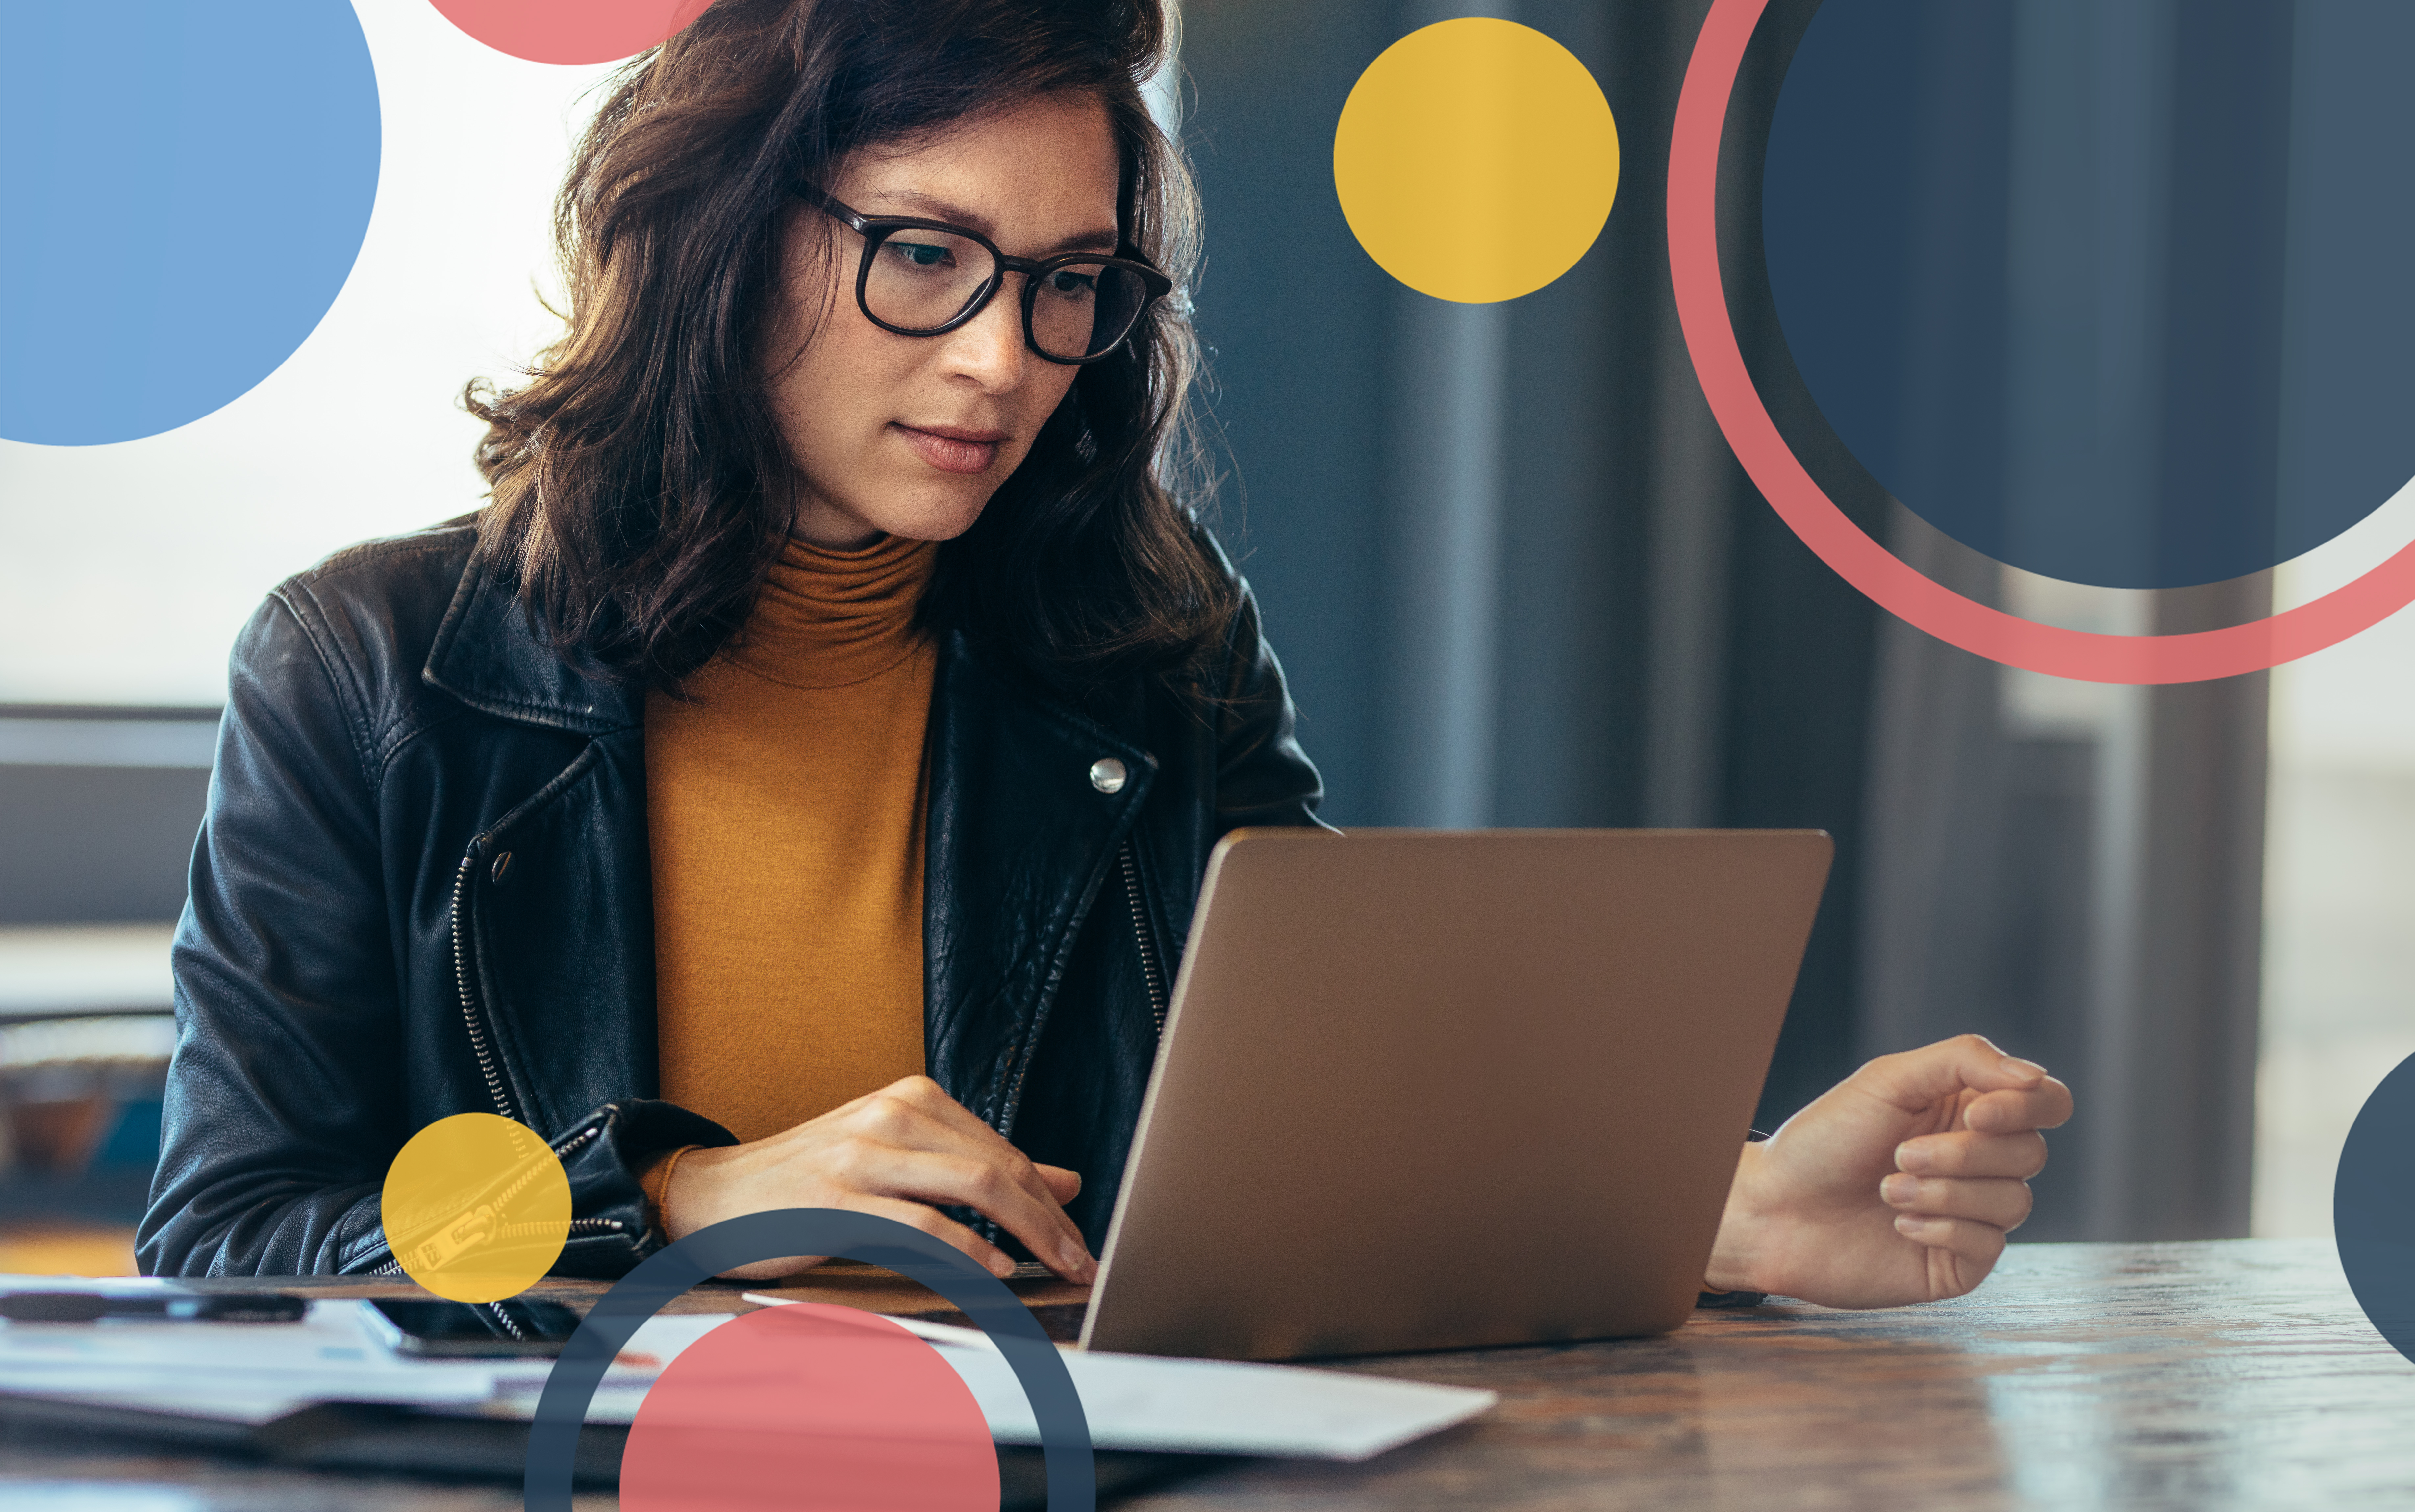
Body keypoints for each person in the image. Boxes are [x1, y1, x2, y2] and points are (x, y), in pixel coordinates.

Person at [137, 0, 2071, 1311]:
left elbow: (1329, 1133)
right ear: (722, 236)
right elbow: (226, 1239)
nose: (1002, 357)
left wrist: (1721, 1206)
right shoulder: (371, 667)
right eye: (924, 255)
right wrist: (667, 1207)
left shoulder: (1148, 637)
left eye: (1071, 284)